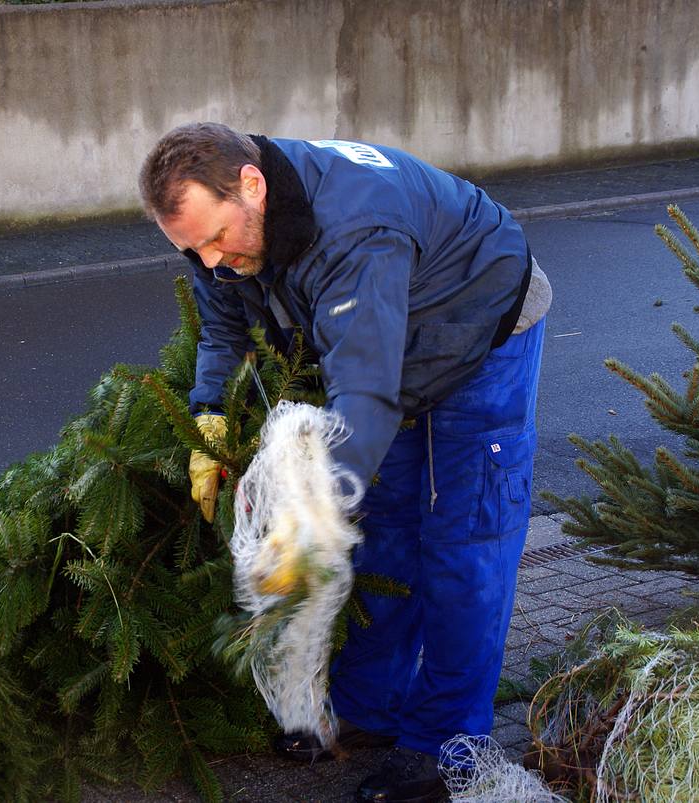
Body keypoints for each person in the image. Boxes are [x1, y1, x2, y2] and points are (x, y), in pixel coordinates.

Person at [139, 123, 549, 803]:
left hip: (478, 327)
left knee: (461, 540)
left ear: (252, 184)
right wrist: (208, 409)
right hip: (395, 333)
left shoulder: (355, 231)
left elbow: (365, 395)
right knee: (386, 526)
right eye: (191, 248)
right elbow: (223, 323)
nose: (210, 260)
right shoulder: (223, 227)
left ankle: (446, 746)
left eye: (216, 239)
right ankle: (369, 704)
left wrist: (309, 515)